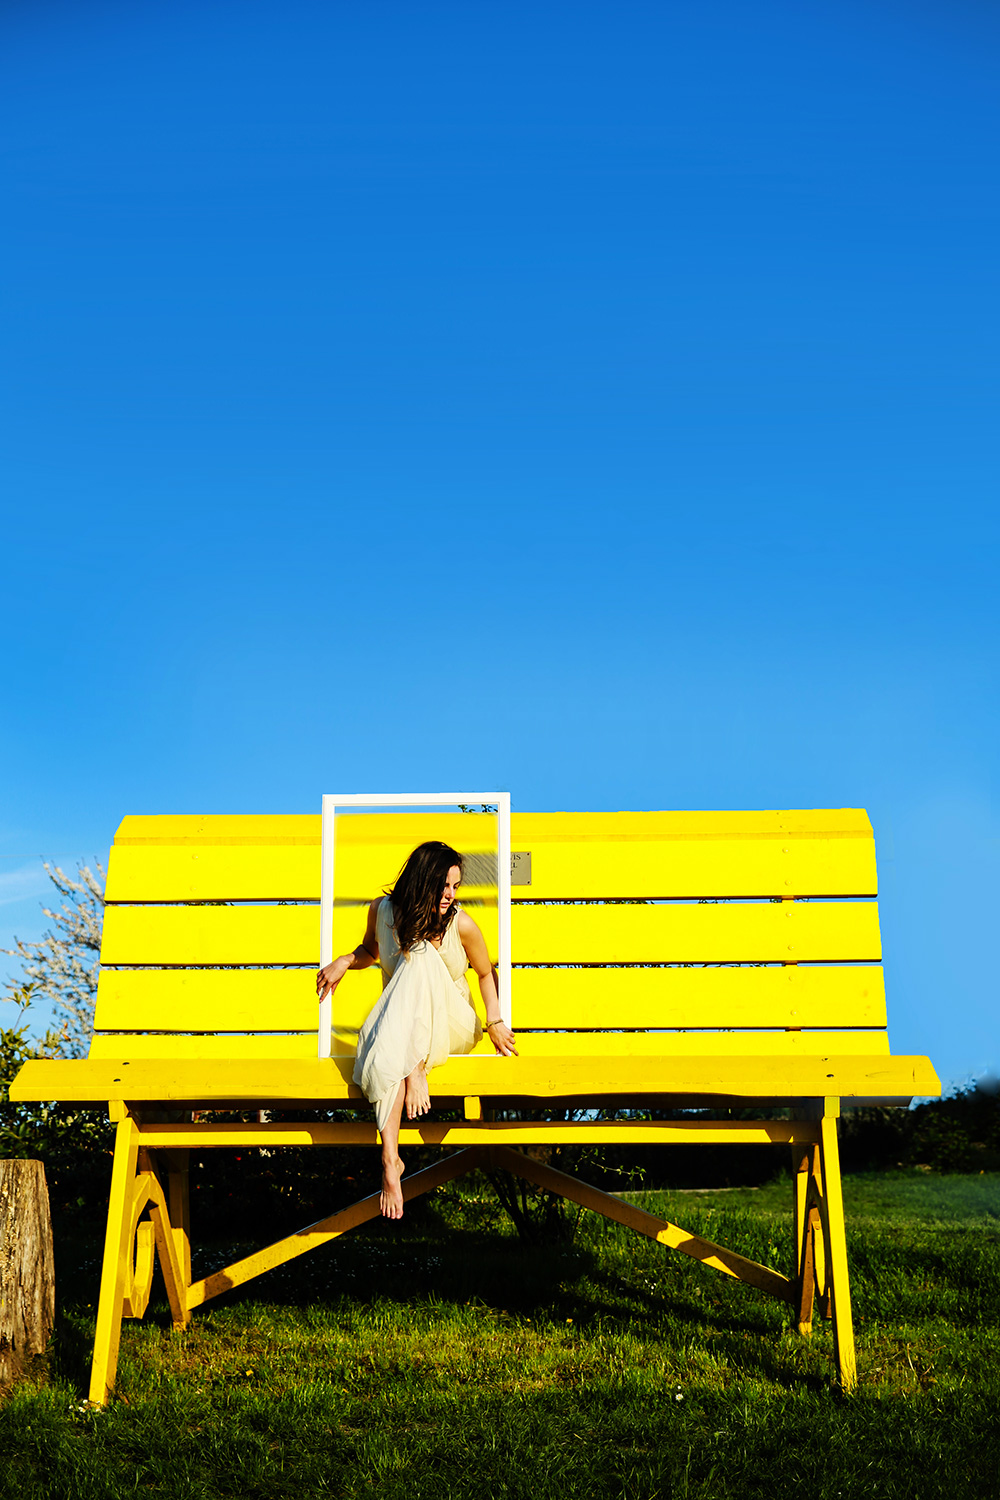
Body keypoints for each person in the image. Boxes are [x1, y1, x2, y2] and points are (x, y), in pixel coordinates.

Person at [316, 840, 517, 1219]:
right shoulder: (384, 910)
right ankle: (391, 1159)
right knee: (387, 1049)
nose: (450, 895)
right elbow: (371, 951)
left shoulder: (462, 923)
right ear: (422, 880)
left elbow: (486, 973)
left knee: (420, 953)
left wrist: (494, 1021)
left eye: (456, 887)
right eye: (444, 885)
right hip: (404, 1024)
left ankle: (417, 1067)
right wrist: (345, 959)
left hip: (453, 1022)